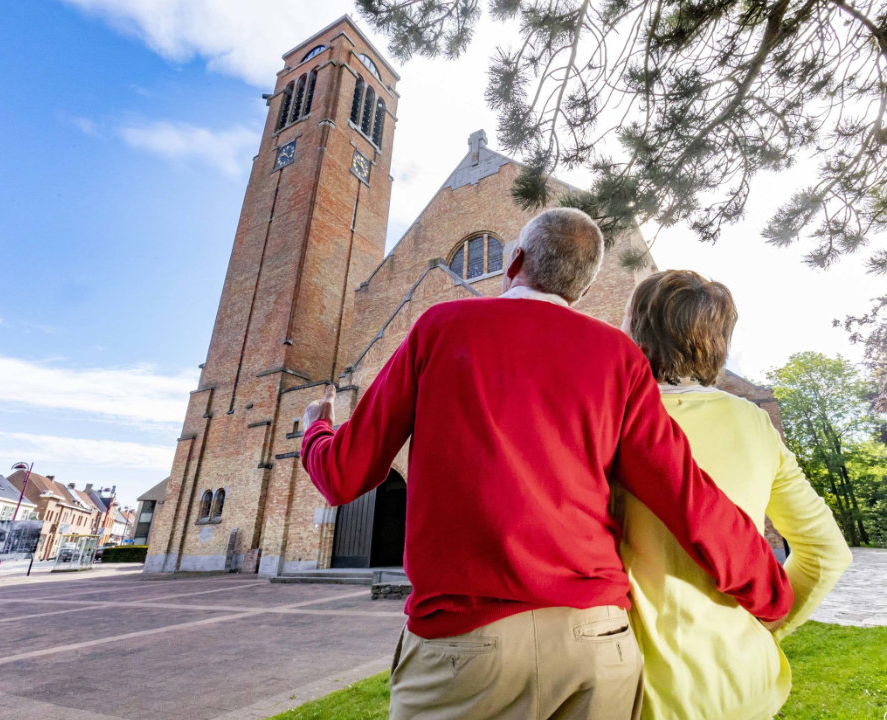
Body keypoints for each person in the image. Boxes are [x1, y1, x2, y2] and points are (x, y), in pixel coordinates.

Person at [301, 208, 793, 720]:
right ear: (580, 289)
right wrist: (773, 594)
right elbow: (687, 494)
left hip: (465, 649)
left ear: (513, 261)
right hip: (593, 645)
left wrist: (316, 428)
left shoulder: (440, 328)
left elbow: (343, 475)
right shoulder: (618, 357)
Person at [619, 270, 852, 720]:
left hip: (641, 693)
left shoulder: (610, 420)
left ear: (637, 330)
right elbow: (827, 552)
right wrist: (769, 626)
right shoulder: (754, 424)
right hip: (746, 686)